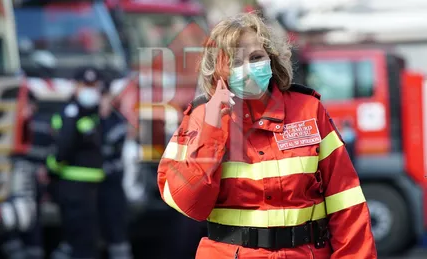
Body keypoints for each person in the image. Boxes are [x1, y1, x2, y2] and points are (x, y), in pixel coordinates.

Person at [156, 12, 377, 259]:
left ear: (271, 60)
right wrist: (211, 130)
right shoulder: (201, 117)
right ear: (219, 69)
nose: (249, 68)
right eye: (236, 61)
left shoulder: (309, 110)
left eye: (256, 57)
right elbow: (190, 204)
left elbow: (346, 202)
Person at [47, 66, 105, 259]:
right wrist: (54, 167)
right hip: (73, 186)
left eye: (93, 85)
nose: (89, 90)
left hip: (89, 187)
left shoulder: (92, 112)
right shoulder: (72, 111)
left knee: (86, 237)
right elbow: (64, 145)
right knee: (79, 237)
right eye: (85, 85)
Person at [98, 81, 133, 259]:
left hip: (113, 186)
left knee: (116, 233)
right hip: (91, 187)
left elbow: (110, 144)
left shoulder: (118, 122)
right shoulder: (88, 119)